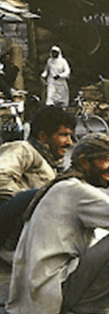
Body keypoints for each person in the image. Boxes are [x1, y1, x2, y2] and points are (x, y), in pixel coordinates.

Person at [7, 134, 109, 314]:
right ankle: (89, 309)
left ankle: (91, 308)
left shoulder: (63, 186)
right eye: (106, 159)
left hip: (40, 295)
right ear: (84, 162)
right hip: (51, 296)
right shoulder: (74, 189)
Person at [0, 106, 75, 256]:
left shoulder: (50, 163)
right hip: (8, 223)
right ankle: (10, 248)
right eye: (63, 135)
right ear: (43, 137)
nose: (69, 142)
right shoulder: (24, 149)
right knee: (43, 194)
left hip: (31, 227)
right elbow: (1, 176)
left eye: (70, 136)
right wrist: (32, 201)